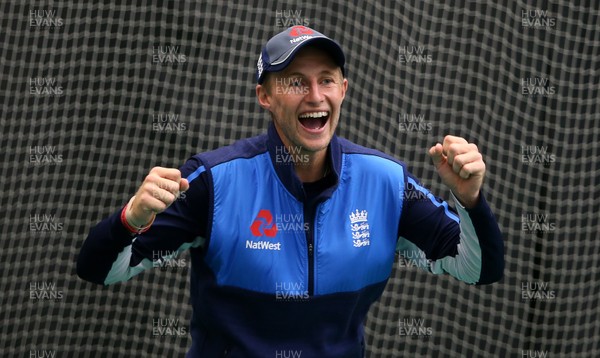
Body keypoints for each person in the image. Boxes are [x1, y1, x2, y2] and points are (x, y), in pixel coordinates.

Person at [77, 25, 504, 357]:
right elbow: (98, 269)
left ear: (344, 90)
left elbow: (478, 269)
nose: (315, 96)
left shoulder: (386, 183)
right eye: (296, 82)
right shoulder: (212, 182)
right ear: (265, 96)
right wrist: (130, 218)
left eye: (326, 80)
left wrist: (470, 201)